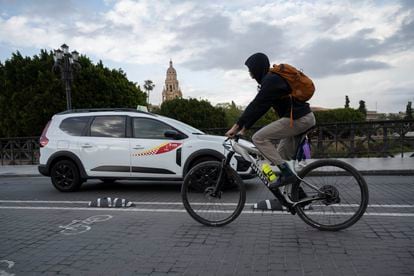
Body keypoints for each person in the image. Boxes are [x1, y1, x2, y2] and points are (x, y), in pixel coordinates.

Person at [225, 53, 316, 189]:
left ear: (257, 68)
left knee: (259, 138)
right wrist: (244, 128)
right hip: (299, 119)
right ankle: (296, 198)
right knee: (280, 157)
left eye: (251, 70)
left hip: (298, 120)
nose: (250, 74)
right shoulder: (271, 80)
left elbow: (256, 104)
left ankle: (287, 174)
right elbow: (262, 108)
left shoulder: (271, 80)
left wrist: (236, 126)